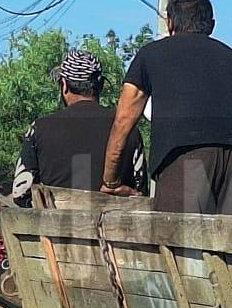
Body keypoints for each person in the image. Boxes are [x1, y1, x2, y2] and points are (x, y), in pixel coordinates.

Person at [102, 0, 232, 217]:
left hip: (187, 158)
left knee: (181, 246)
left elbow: (123, 121)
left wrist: (110, 180)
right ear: (211, 25)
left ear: (170, 23)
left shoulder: (151, 55)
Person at [10, 49, 146, 203]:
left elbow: (20, 194)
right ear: (100, 86)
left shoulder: (39, 129)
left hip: (54, 225)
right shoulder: (129, 131)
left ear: (64, 85)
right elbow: (141, 193)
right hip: (113, 226)